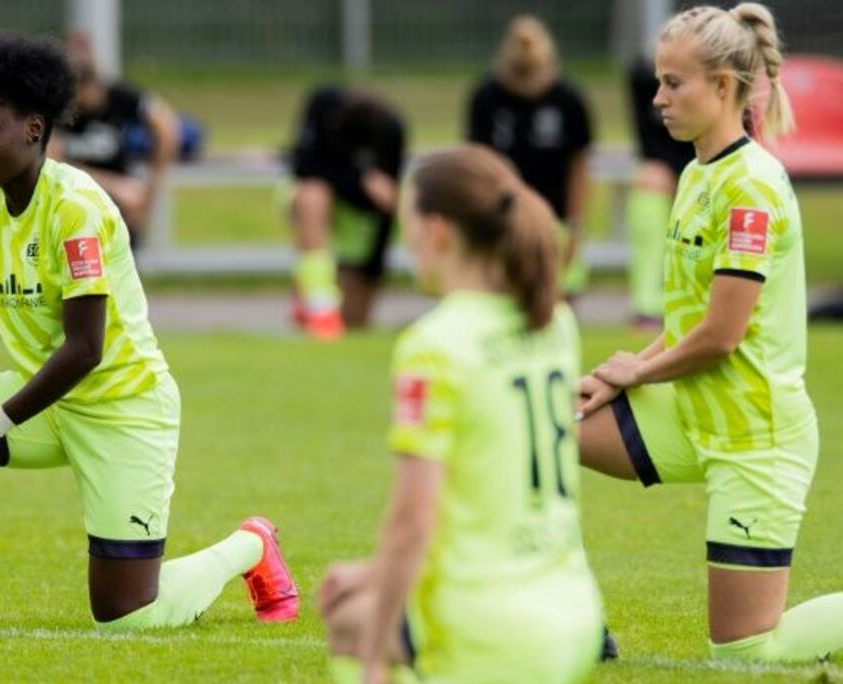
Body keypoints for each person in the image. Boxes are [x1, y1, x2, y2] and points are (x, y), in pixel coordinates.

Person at [0, 32, 299, 634]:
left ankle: (250, 545)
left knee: (125, 619)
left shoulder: (76, 208)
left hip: (123, 408)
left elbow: (86, 349)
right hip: (45, 403)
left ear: (34, 128)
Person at [578, 3, 843, 663]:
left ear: (724, 87)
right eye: (659, 81)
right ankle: (570, 620)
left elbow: (721, 334)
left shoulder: (750, 187)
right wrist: (618, 372)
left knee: (745, 653)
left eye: (674, 83)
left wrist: (634, 373)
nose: (657, 98)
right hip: (691, 412)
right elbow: (686, 323)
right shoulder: (698, 175)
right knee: (541, 427)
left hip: (755, 437)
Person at [317, 145, 603, 684]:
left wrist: (376, 653)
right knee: (354, 599)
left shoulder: (434, 344)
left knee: (352, 623)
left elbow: (411, 522)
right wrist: (375, 574)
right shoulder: (554, 322)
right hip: (573, 614)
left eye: (409, 227)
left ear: (440, 233)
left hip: (488, 627)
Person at [467, 15, 593, 297]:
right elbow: (478, 162)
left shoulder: (567, 100)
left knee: (560, 297)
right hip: (504, 220)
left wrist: (574, 225)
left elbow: (579, 165)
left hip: (555, 219)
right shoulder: (487, 97)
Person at [287, 87, 406, 339]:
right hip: (317, 204)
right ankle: (319, 302)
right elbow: (303, 166)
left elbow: (387, 209)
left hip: (360, 217)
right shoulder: (323, 105)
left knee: (355, 320)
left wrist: (372, 271)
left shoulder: (392, 130)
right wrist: (359, 178)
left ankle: (308, 295)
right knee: (312, 195)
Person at [50, 31, 179, 250]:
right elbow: (48, 163)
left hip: (119, 203)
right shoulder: (54, 107)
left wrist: (151, 188)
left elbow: (166, 124)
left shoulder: (118, 97)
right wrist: (114, 185)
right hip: (70, 197)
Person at [626, 56, 697, 329]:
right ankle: (647, 306)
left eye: (674, 84)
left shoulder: (718, 78)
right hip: (669, 167)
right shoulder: (642, 79)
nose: (659, 100)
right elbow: (648, 141)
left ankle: (708, 302)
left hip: (712, 162)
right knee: (649, 182)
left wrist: (694, 175)